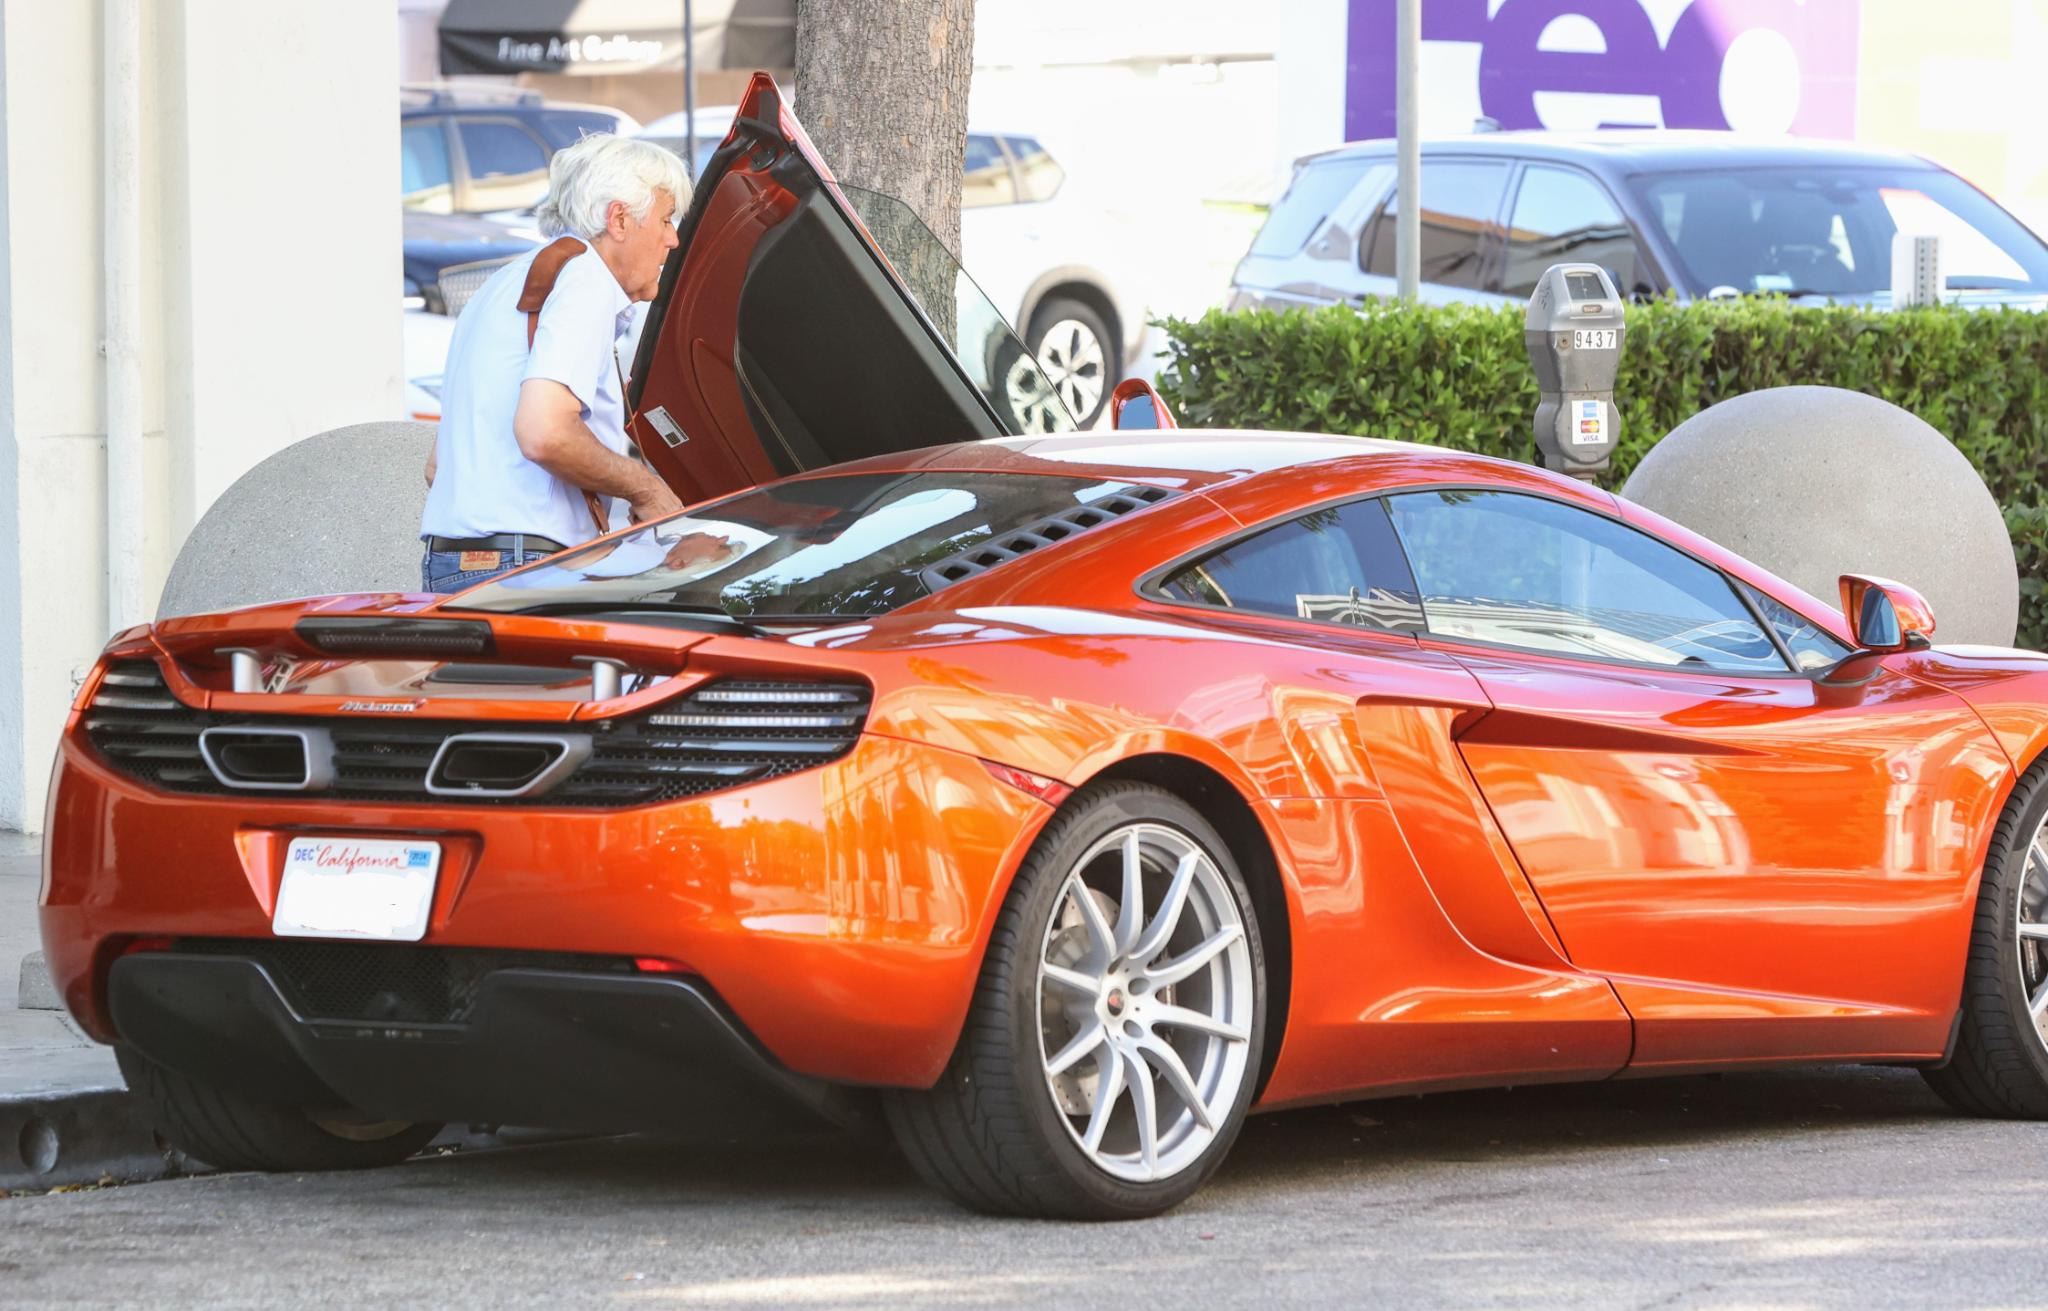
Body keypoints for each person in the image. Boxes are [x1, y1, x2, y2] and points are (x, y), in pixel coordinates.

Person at [419, 133, 688, 592]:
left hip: (452, 562)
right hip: (524, 566)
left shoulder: (501, 284)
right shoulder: (584, 278)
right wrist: (646, 489)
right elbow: (545, 433)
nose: (673, 239)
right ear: (619, 219)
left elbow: (437, 468)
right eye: (665, 219)